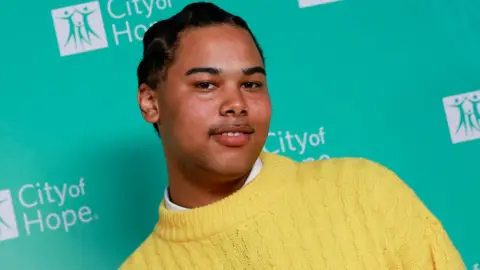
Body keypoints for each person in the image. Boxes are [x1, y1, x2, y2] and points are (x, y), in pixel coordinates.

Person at [120, 2, 466, 269]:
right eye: (206, 84)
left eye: (251, 84)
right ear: (151, 102)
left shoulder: (362, 191)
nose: (236, 104)